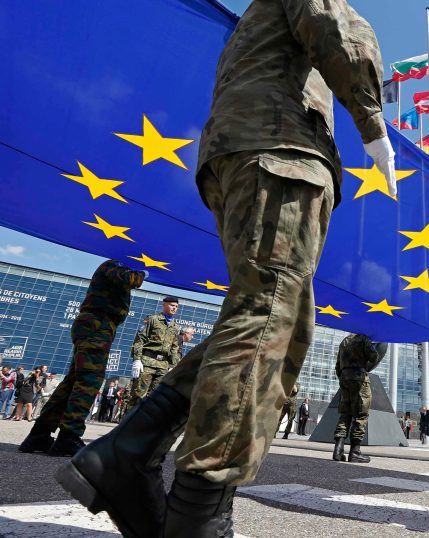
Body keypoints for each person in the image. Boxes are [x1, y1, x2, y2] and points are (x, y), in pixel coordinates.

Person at [55, 2, 396, 536]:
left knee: (264, 314)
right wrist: (373, 123)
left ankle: (130, 448)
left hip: (252, 147)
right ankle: (199, 508)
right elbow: (336, 31)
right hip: (279, 147)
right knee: (268, 315)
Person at [19, 260, 144, 456]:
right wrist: (145, 271)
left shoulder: (114, 266)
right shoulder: (113, 265)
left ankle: (40, 434)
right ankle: (69, 436)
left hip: (96, 325)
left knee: (73, 381)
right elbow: (131, 279)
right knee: (89, 380)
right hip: (97, 325)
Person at [332, 334, 387, 463]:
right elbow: (374, 356)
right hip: (359, 378)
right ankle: (355, 452)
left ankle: (338, 450)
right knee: (361, 415)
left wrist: (343, 376)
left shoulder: (344, 341)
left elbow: (337, 365)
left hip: (345, 378)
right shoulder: (363, 338)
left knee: (345, 414)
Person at [126, 296, 181, 413]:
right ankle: (127, 428)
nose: (174, 308)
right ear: (164, 305)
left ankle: (144, 429)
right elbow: (139, 340)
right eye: (172, 305)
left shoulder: (176, 327)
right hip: (147, 362)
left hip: (163, 366)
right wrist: (137, 359)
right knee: (138, 396)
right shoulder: (152, 319)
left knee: (154, 400)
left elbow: (175, 348)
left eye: (176, 306)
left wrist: (173, 366)